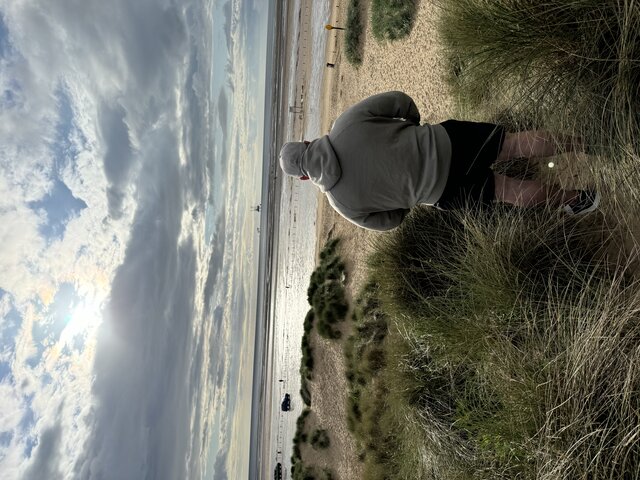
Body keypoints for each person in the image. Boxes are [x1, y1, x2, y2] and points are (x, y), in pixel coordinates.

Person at [278, 91, 600, 231]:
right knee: (513, 144)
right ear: (307, 142)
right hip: (446, 140)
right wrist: (414, 128)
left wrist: (407, 194)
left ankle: (577, 199)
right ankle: (590, 143)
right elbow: (400, 101)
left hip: (441, 192)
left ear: (304, 178)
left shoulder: (342, 204)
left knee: (507, 192)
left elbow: (391, 222)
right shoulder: (345, 124)